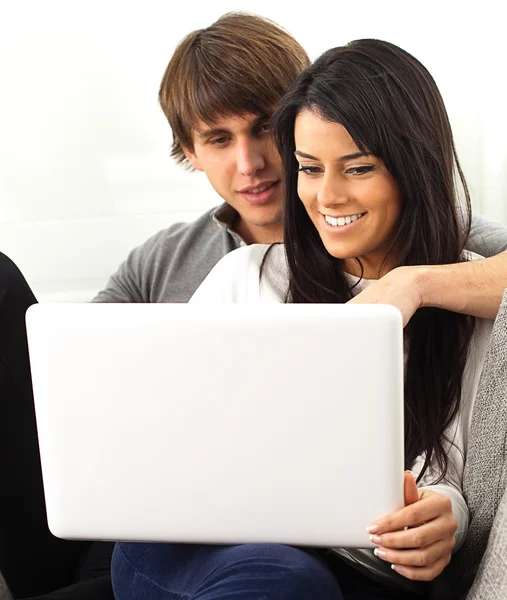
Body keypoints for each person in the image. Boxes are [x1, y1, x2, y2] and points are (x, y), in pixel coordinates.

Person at [0, 12, 506, 599]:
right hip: (206, 546)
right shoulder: (240, 273)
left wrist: (447, 516)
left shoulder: (467, 286)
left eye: (358, 168)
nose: (327, 195)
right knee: (276, 574)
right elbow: (139, 412)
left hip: (359, 567)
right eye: (311, 169)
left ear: (412, 168)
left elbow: (454, 471)